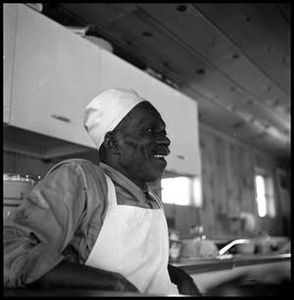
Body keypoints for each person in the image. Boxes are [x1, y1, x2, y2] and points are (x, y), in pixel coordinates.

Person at [4, 88, 202, 296]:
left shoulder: (151, 199)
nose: (166, 140)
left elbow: (140, 267)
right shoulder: (82, 179)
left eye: (163, 132)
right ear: (113, 142)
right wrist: (114, 284)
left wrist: (178, 276)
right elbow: (10, 249)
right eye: (150, 131)